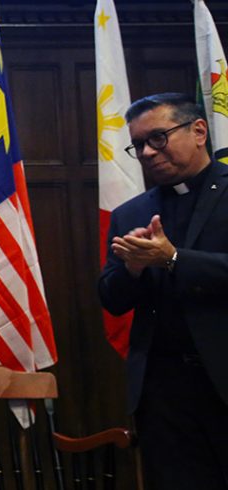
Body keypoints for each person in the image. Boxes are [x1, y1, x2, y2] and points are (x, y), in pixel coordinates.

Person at [99, 92, 228, 489]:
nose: (147, 152)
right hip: (163, 392)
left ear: (199, 130)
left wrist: (174, 259)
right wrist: (133, 269)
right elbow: (111, 298)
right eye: (138, 144)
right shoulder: (131, 212)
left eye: (158, 137)